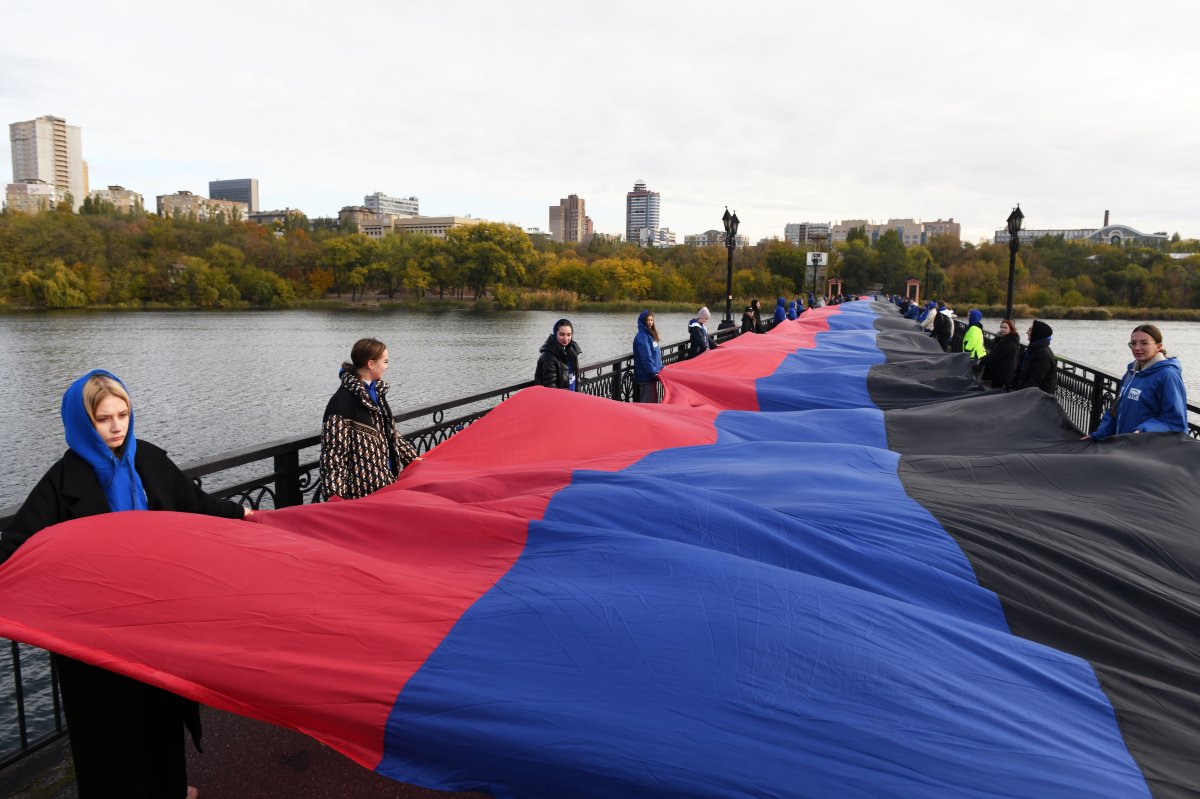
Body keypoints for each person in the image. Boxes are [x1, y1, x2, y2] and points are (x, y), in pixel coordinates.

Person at [0, 370, 252, 799]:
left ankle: (169, 787)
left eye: (123, 414)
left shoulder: (149, 460)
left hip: (157, 622)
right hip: (97, 635)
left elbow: (195, 506)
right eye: (103, 418)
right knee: (110, 726)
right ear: (82, 422)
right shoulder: (62, 483)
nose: (117, 426)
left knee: (161, 712)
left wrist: (245, 516)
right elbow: (17, 548)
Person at [321, 337, 420, 501]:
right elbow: (333, 454)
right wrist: (335, 495)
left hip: (387, 483)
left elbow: (390, 434)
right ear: (371, 364)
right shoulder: (341, 402)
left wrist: (413, 459)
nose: (387, 367)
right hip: (362, 493)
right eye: (385, 361)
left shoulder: (376, 393)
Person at [1087, 324, 1188, 439]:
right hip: (1125, 444)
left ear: (1158, 346)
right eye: (1133, 343)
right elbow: (1116, 410)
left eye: (1144, 343)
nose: (1137, 348)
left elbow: (1175, 421)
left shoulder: (1168, 375)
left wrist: (1142, 430)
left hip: (1146, 449)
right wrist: (1099, 434)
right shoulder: (1131, 372)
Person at [535, 318, 582, 391]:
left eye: (569, 335)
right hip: (558, 400)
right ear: (555, 333)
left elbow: (575, 378)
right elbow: (550, 387)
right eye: (562, 334)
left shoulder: (572, 351)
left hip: (572, 397)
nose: (566, 338)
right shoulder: (548, 356)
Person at [1012, 319, 1057, 394]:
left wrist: (1020, 394)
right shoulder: (1034, 349)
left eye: (1030, 330)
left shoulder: (1043, 354)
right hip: (1029, 395)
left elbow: (1034, 380)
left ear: (1037, 333)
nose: (1027, 332)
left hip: (1037, 398)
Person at [978, 318, 1020, 389]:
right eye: (1001, 327)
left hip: (1003, 373)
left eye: (1005, 328)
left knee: (996, 391)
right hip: (999, 371)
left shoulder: (1009, 342)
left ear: (1011, 329)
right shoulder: (1003, 339)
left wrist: (982, 360)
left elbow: (995, 355)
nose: (1003, 329)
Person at [632, 310, 664, 403]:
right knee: (648, 403)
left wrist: (661, 367)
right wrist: (653, 372)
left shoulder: (650, 334)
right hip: (647, 376)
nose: (650, 322)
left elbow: (655, 355)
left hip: (653, 375)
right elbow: (646, 357)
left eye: (651, 320)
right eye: (647, 320)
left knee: (652, 400)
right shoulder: (642, 337)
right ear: (642, 321)